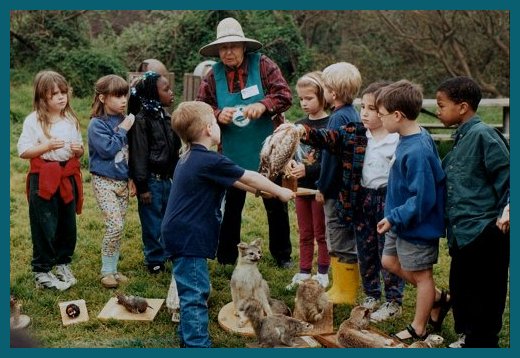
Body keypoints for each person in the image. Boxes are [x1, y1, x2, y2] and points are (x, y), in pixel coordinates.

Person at [161, 101, 294, 347]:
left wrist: (263, 192)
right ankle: (197, 345)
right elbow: (249, 175)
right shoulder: (209, 160)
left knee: (191, 292)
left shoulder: (190, 155)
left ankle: (187, 340)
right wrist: (280, 191)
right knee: (195, 294)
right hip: (188, 238)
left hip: (180, 233)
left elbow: (236, 180)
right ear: (210, 129)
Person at [196, 17, 293, 268]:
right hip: (229, 151)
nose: (228, 52)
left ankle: (282, 255)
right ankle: (226, 257)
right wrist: (218, 115)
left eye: (234, 46)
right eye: (224, 48)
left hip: (268, 151)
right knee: (231, 207)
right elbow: (200, 108)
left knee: (275, 203)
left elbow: (284, 95)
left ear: (243, 47)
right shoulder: (211, 75)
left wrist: (263, 105)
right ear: (218, 50)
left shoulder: (263, 65)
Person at [436, 76, 510, 348]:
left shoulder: (484, 135)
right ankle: (468, 336)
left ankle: (482, 341)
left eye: (442, 105)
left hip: (485, 232)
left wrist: (508, 210)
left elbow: (508, 177)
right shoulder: (460, 138)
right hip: (462, 234)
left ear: (463, 106)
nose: (439, 110)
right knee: (462, 289)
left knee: (486, 294)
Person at [375, 80, 446, 342]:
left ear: (397, 115)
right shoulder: (408, 136)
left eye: (381, 114)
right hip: (399, 221)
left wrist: (393, 217)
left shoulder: (417, 150)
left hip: (416, 225)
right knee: (389, 262)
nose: (380, 119)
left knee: (422, 276)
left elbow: (423, 198)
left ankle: (419, 327)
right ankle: (438, 298)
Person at [17, 70, 84, 291]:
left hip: (66, 177)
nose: (61, 97)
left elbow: (79, 150)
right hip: (44, 177)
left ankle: (62, 264)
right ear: (42, 96)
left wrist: (78, 150)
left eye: (63, 92)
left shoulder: (71, 119)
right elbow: (23, 151)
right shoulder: (33, 120)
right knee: (44, 223)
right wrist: (46, 147)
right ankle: (42, 270)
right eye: (54, 94)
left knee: (67, 223)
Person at [355, 81, 406, 322]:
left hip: (387, 199)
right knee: (365, 249)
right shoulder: (360, 136)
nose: (364, 112)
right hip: (364, 196)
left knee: (387, 249)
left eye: (371, 108)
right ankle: (371, 294)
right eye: (362, 106)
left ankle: (393, 300)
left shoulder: (396, 140)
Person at [315, 62, 363, 304]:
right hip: (348, 189)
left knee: (338, 237)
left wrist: (322, 187)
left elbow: (330, 160)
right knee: (343, 236)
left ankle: (345, 291)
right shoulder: (353, 113)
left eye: (324, 87)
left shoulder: (336, 119)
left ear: (332, 93)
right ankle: (340, 286)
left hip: (335, 191)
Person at [128, 71, 181, 274]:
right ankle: (154, 259)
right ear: (152, 93)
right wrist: (142, 187)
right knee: (152, 223)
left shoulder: (165, 117)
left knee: (168, 219)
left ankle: (167, 252)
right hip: (150, 182)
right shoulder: (141, 120)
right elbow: (139, 155)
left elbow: (174, 150)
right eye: (166, 89)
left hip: (167, 180)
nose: (171, 92)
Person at [87, 74, 136, 289]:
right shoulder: (97, 124)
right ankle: (106, 271)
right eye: (117, 96)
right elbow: (107, 150)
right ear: (102, 98)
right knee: (114, 225)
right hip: (103, 181)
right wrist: (124, 127)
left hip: (122, 183)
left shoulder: (124, 119)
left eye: (124, 95)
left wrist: (132, 178)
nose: (123, 100)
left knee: (120, 226)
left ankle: (114, 270)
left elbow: (131, 153)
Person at [285, 71, 330, 290]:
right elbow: (294, 154)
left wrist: (309, 170)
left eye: (309, 98)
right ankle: (303, 271)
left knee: (321, 233)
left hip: (320, 188)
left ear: (322, 96)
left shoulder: (330, 124)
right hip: (301, 189)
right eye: (301, 98)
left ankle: (322, 271)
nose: (304, 103)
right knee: (304, 232)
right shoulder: (298, 124)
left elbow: (331, 163)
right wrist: (292, 165)